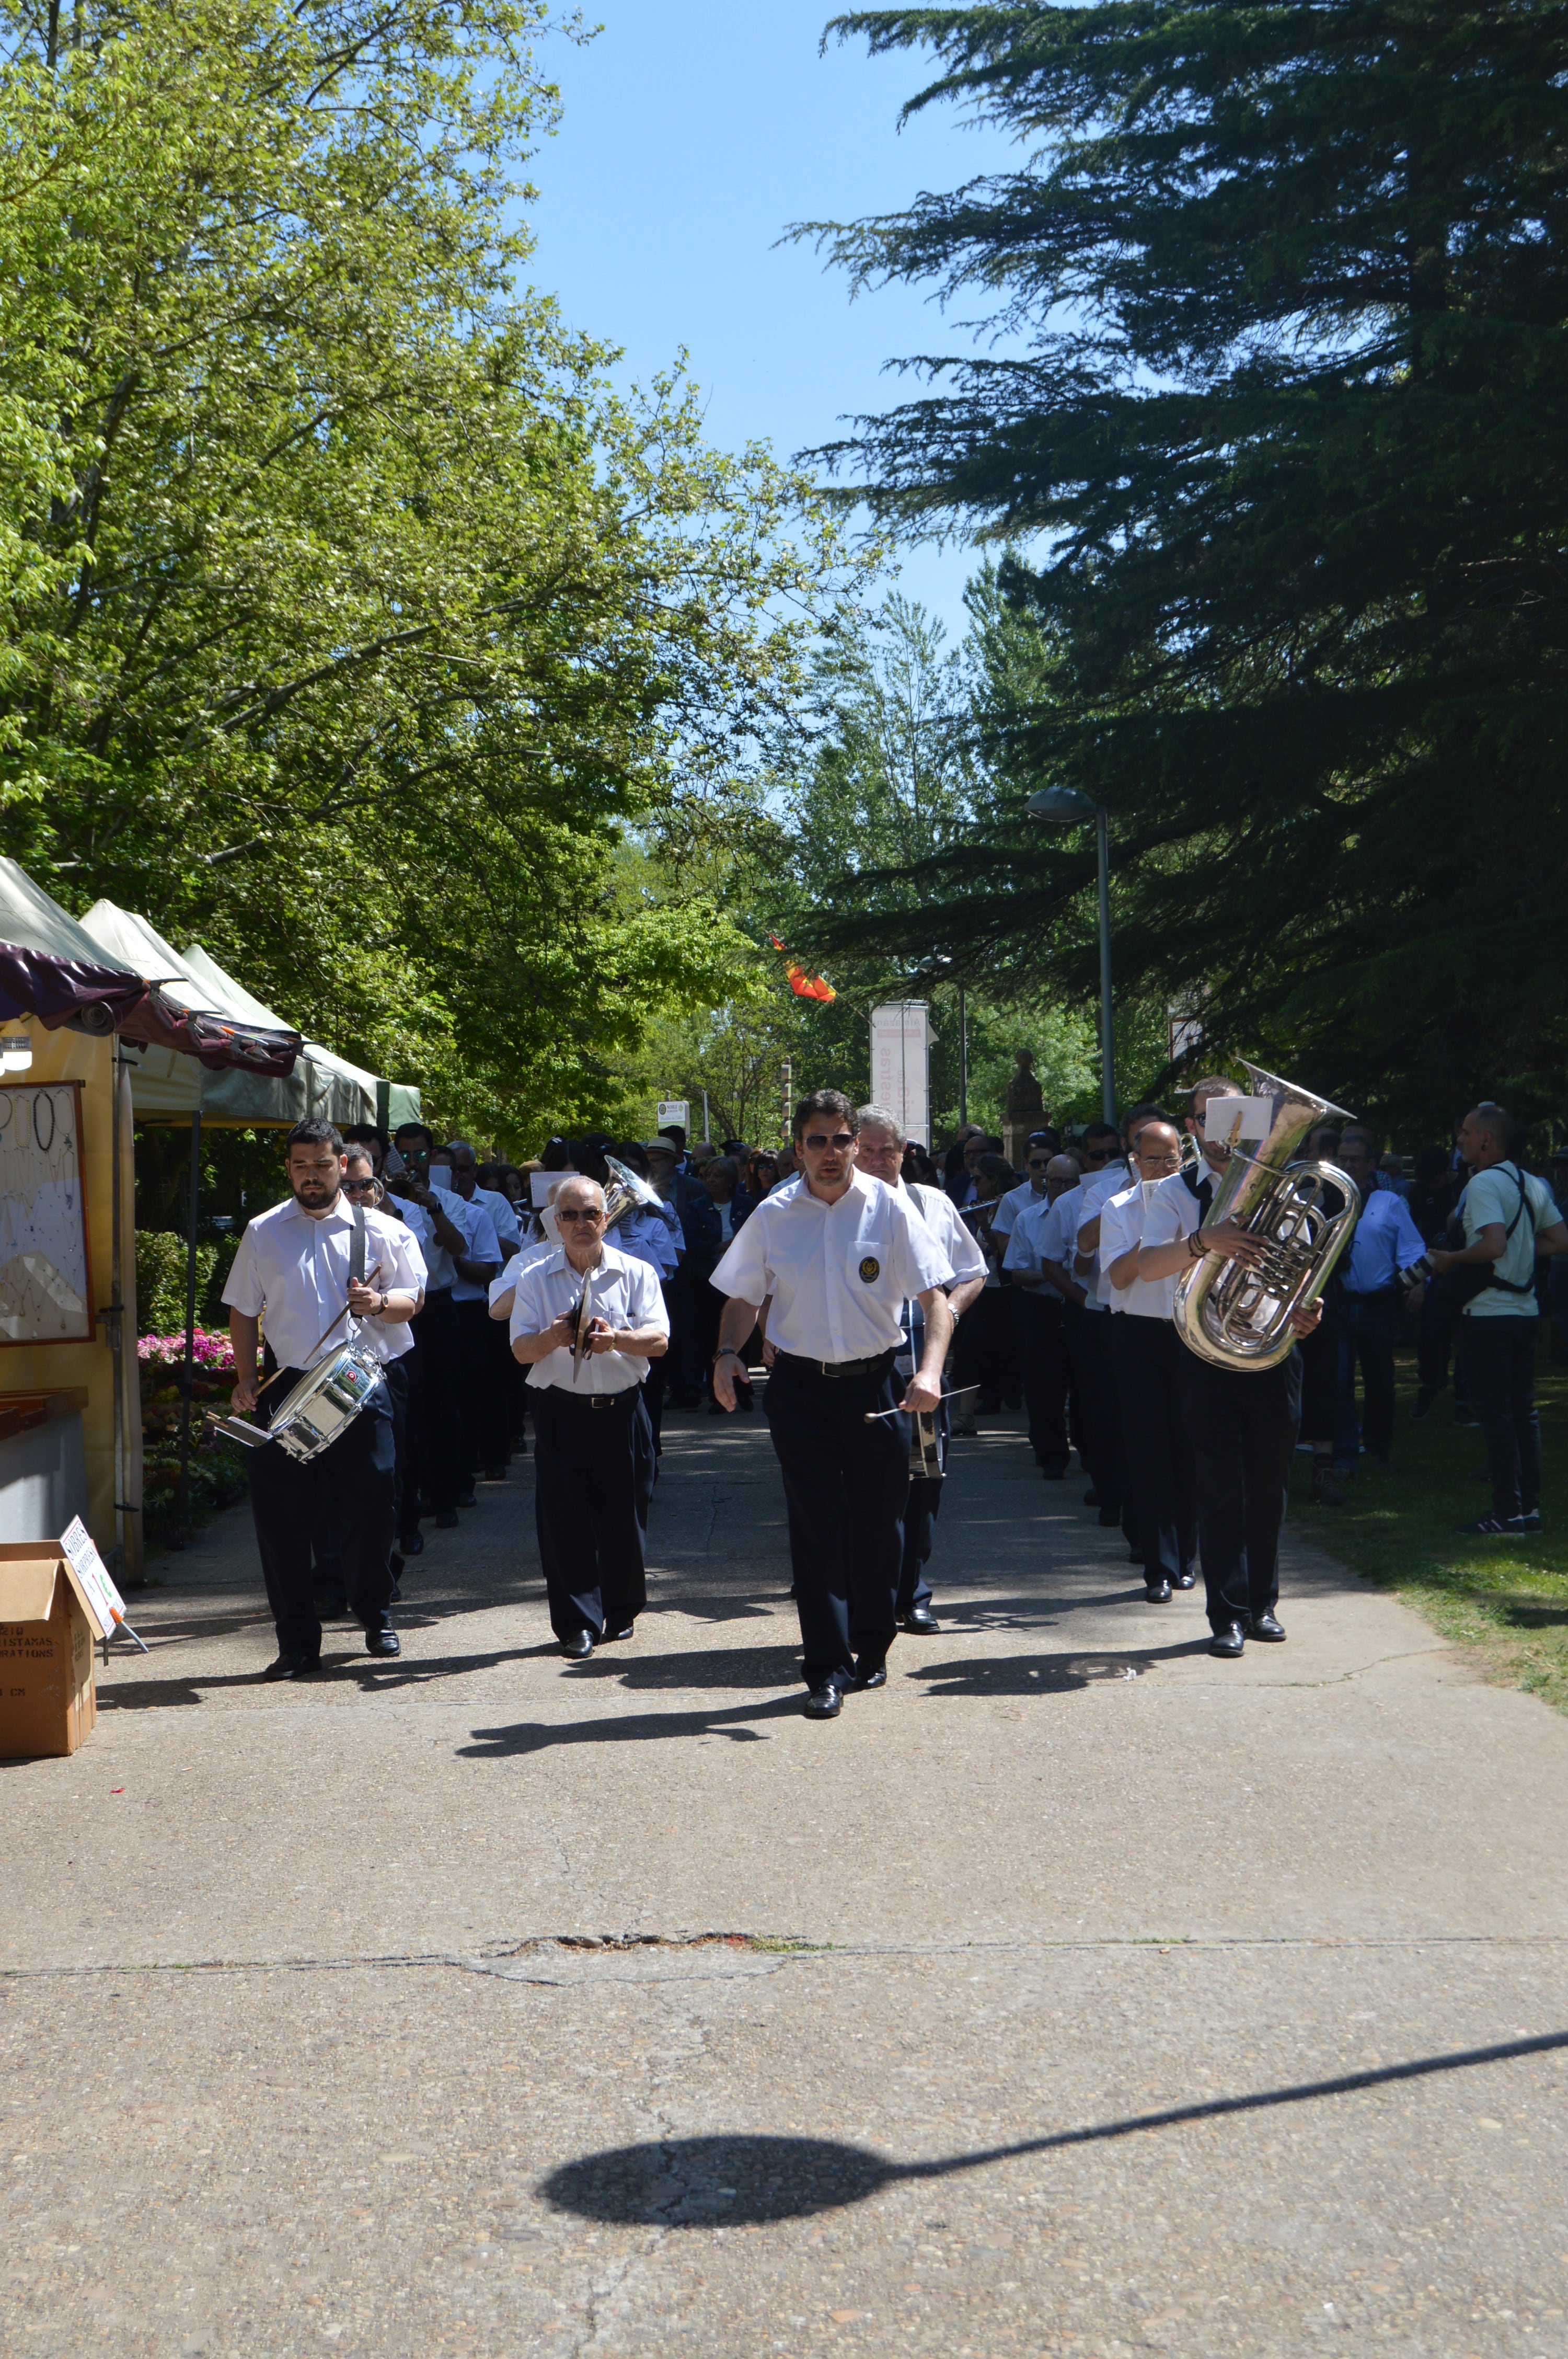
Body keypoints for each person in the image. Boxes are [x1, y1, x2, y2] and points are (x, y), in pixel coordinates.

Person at [709, 1090, 955, 1719]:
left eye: (840, 1140)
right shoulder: (773, 1214)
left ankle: (872, 1647)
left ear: (854, 1144)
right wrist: (727, 1353)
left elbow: (936, 1301)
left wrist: (928, 1372)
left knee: (879, 1526)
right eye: (816, 1141)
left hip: (878, 1387)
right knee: (816, 1527)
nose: (829, 1153)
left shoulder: (890, 1208)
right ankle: (824, 1667)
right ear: (798, 1148)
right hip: (801, 1389)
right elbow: (741, 1295)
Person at [223, 1118, 426, 1678]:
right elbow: (243, 1309)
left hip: (359, 1383)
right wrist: (244, 1378)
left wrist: (380, 1303)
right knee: (282, 1519)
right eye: (300, 1166)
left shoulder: (382, 1231)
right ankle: (296, 1643)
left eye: (321, 1164)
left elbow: (415, 1299)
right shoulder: (264, 1231)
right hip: (286, 1383)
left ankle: (374, 1610)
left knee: (374, 1506)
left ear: (343, 1165)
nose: (311, 1176)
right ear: (288, 1169)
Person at [1135, 1075, 1322, 1657]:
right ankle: (1229, 1615)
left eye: (1239, 1120)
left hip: (1270, 1352)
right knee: (1218, 1486)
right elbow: (1145, 1266)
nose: (1227, 1135)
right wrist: (1204, 1241)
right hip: (1202, 1355)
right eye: (1212, 1121)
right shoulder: (1174, 1192)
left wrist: (1310, 1309)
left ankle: (1264, 1604)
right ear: (1194, 1128)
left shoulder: (1289, 1187)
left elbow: (1306, 1266)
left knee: (1269, 1483)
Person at [510, 1175, 669, 1656]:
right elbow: (520, 1350)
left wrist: (616, 1338)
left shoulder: (637, 1272)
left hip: (622, 1412)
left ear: (607, 1218)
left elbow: (660, 1341)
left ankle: (621, 1609)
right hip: (561, 1411)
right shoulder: (534, 1276)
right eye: (571, 1216)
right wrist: (553, 1339)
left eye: (592, 1214)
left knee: (625, 1517)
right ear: (556, 1223)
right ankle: (577, 1623)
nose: (582, 1224)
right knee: (565, 1522)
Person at [855, 1105, 988, 1635]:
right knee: (862, 1490)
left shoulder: (931, 1203)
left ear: (905, 1151)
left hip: (921, 1374)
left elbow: (974, 1272)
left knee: (923, 1481)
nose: (878, 1160)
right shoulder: (832, 1209)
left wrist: (947, 1315)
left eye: (889, 1149)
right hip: (859, 1376)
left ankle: (914, 1593)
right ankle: (869, 1591)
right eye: (866, 1150)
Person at [1428, 1106, 1568, 1535]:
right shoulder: (1532, 1182)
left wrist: (1452, 1258)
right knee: (1523, 1413)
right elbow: (1560, 1240)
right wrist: (1521, 1254)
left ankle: (1507, 1513)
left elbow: (1491, 1246)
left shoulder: (1485, 1181)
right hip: (1524, 1314)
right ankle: (1528, 1510)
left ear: (1487, 1140)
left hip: (1488, 1316)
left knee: (1497, 1415)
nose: (1460, 1139)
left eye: (1467, 1132)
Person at [1100, 1119, 1197, 1601]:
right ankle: (1158, 1566)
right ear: (1134, 1162)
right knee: (1148, 1450)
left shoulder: (1200, 1202)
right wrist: (1158, 1230)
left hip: (1190, 1332)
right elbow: (1119, 1277)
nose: (1162, 1169)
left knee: (1191, 1447)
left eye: (1171, 1159)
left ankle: (1188, 1558)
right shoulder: (1118, 1207)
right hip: (1137, 1333)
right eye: (1152, 1159)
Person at [386, 1129, 500, 1527]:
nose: (413, 1161)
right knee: (404, 1411)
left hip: (436, 1308)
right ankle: (409, 1501)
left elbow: (459, 1251)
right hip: (392, 1311)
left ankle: (446, 1495)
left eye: (420, 1154)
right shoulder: (382, 1201)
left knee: (443, 1406)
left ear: (431, 1156)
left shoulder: (452, 1202)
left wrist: (433, 1207)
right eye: (405, 1154)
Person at [1331, 1126, 1428, 1479]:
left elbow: (1413, 1249)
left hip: (1378, 1304)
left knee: (1379, 1380)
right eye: (1343, 1159)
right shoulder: (1329, 1199)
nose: (1348, 1165)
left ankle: (1378, 1447)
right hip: (1339, 1304)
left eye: (1355, 1160)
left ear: (1372, 1163)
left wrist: (1417, 1284)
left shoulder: (1389, 1203)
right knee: (1339, 1381)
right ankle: (1344, 1453)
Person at [1003, 1151, 1083, 1476]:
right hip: (1042, 1309)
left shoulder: (1089, 1216)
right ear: (1044, 1182)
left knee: (1085, 1387)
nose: (1062, 1187)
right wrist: (1055, 1273)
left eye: (1070, 1182)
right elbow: (1017, 1273)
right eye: (1056, 1181)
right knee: (1043, 1388)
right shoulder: (1027, 1219)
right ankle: (1052, 1456)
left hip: (1078, 1308)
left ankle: (1091, 1453)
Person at [953, 1153, 1023, 1414]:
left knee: (997, 1345)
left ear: (995, 1180)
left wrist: (983, 1226)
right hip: (988, 1285)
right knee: (982, 1345)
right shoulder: (991, 1203)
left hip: (1003, 1287)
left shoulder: (1009, 1203)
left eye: (979, 1179)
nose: (975, 1184)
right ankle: (993, 1397)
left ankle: (1004, 1394)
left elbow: (1005, 1247)